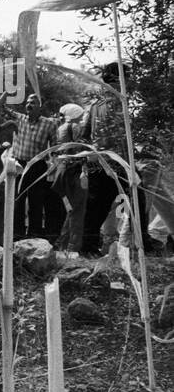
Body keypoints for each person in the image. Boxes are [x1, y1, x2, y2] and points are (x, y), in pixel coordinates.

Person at [80, 63, 150, 254]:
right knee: (136, 200)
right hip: (118, 162)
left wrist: (90, 156)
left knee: (97, 208)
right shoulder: (120, 102)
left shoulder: (95, 105)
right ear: (120, 79)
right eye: (127, 77)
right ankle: (144, 245)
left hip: (99, 162)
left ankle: (88, 247)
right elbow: (119, 136)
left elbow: (84, 134)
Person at [4, 95, 63, 239]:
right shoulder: (19, 118)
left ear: (39, 107)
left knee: (36, 201)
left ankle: (34, 234)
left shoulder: (49, 124)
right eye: (28, 102)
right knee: (18, 200)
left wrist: (55, 164)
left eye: (33, 103)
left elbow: (55, 146)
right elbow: (3, 109)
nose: (29, 104)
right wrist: (5, 94)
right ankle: (17, 234)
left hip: (37, 166)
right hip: (19, 165)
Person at [51, 102, 89, 254]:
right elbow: (82, 150)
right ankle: (73, 249)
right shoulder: (75, 128)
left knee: (71, 210)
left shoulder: (60, 129)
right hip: (75, 172)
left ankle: (63, 245)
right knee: (78, 211)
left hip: (62, 172)